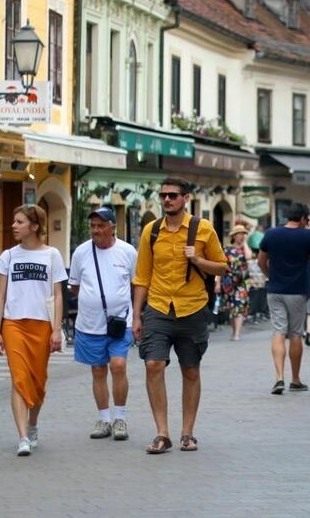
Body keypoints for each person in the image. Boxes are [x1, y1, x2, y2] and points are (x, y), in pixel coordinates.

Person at [132, 178, 227, 455]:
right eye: (163, 195)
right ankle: (162, 433)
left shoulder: (203, 229)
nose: (166, 200)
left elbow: (221, 268)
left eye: (172, 195)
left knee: (191, 370)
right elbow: (142, 277)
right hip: (159, 307)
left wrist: (197, 259)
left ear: (186, 198)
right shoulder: (151, 231)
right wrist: (136, 316)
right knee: (153, 365)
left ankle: (187, 433)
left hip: (192, 308)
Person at [0, 204, 67, 456]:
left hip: (41, 325)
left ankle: (33, 424)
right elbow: (0, 296)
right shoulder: (9, 256)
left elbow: (57, 296)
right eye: (14, 221)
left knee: (38, 382)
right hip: (13, 324)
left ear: (35, 226)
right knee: (19, 379)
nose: (14, 225)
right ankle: (23, 437)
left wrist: (56, 330)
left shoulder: (52, 255)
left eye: (19, 222)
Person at [67, 207, 137, 441]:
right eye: (93, 226)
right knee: (97, 370)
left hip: (120, 321)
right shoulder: (81, 253)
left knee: (118, 365)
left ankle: (120, 418)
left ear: (112, 227)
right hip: (89, 324)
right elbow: (75, 286)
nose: (96, 230)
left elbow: (137, 286)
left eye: (101, 226)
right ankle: (104, 419)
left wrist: (138, 316)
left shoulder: (127, 252)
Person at [258, 202, 310, 395]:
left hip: (275, 289)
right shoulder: (307, 235)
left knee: (278, 332)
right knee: (296, 334)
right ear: (304, 218)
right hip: (297, 291)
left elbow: (261, 259)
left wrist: (269, 275)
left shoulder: (271, 234)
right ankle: (295, 380)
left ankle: (279, 377)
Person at [219, 225, 252, 341]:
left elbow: (249, 257)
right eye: (239, 234)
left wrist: (245, 243)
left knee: (240, 306)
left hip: (242, 282)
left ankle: (237, 333)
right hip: (229, 282)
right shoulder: (226, 249)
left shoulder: (245, 249)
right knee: (231, 308)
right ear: (234, 236)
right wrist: (217, 282)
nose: (241, 236)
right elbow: (221, 266)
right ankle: (234, 331)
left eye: (243, 234)